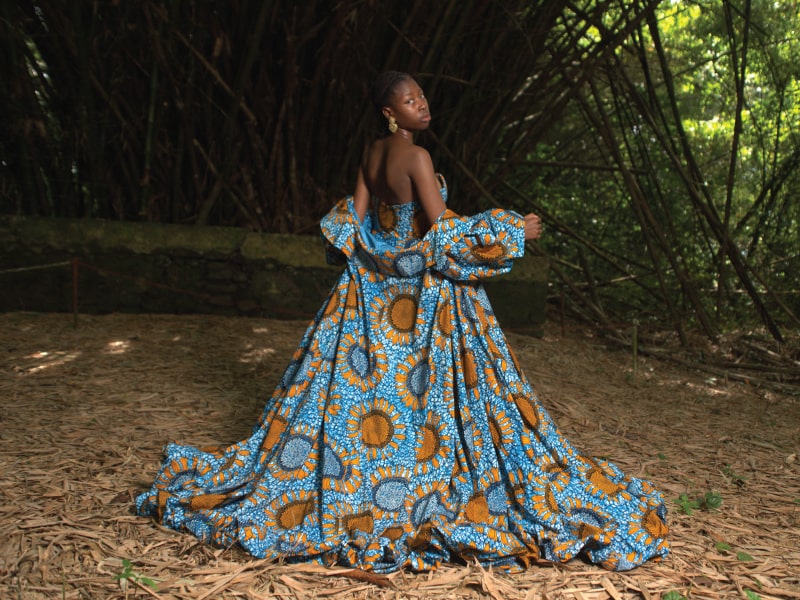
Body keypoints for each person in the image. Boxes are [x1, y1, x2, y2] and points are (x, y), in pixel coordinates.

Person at [136, 71, 669, 573]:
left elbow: (355, 223)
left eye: (424, 98)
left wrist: (381, 264)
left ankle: (372, 474)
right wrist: (513, 230)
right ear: (390, 112)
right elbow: (443, 230)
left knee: (367, 388)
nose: (424, 105)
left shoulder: (371, 155)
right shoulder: (416, 157)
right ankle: (422, 476)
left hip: (370, 291)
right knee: (441, 392)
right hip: (425, 296)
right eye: (412, 100)